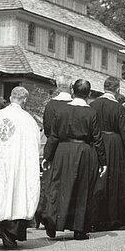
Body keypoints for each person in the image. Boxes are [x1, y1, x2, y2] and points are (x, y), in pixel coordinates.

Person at [41, 79, 106, 240]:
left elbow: (54, 135)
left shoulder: (61, 110)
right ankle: (79, 228)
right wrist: (103, 161)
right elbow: (97, 138)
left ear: (72, 91)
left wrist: (47, 156)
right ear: (89, 94)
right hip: (84, 152)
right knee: (82, 190)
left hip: (62, 151)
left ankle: (52, 220)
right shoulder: (91, 112)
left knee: (58, 186)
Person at [0, 87, 41, 249]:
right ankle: (11, 233)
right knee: (16, 195)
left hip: (0, 162)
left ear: (10, 98)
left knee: (1, 194)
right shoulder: (27, 119)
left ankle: (3, 228)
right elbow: (34, 143)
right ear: (24, 100)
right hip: (18, 165)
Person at [89, 76, 125, 231]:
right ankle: (116, 219)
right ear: (117, 90)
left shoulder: (93, 105)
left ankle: (96, 219)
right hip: (115, 145)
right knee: (116, 182)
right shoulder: (118, 107)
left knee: (99, 181)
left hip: (97, 144)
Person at [37, 76, 73, 228]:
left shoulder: (51, 105)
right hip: (71, 149)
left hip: (54, 147)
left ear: (58, 86)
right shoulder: (74, 104)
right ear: (70, 87)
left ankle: (49, 216)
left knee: (52, 184)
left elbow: (47, 128)